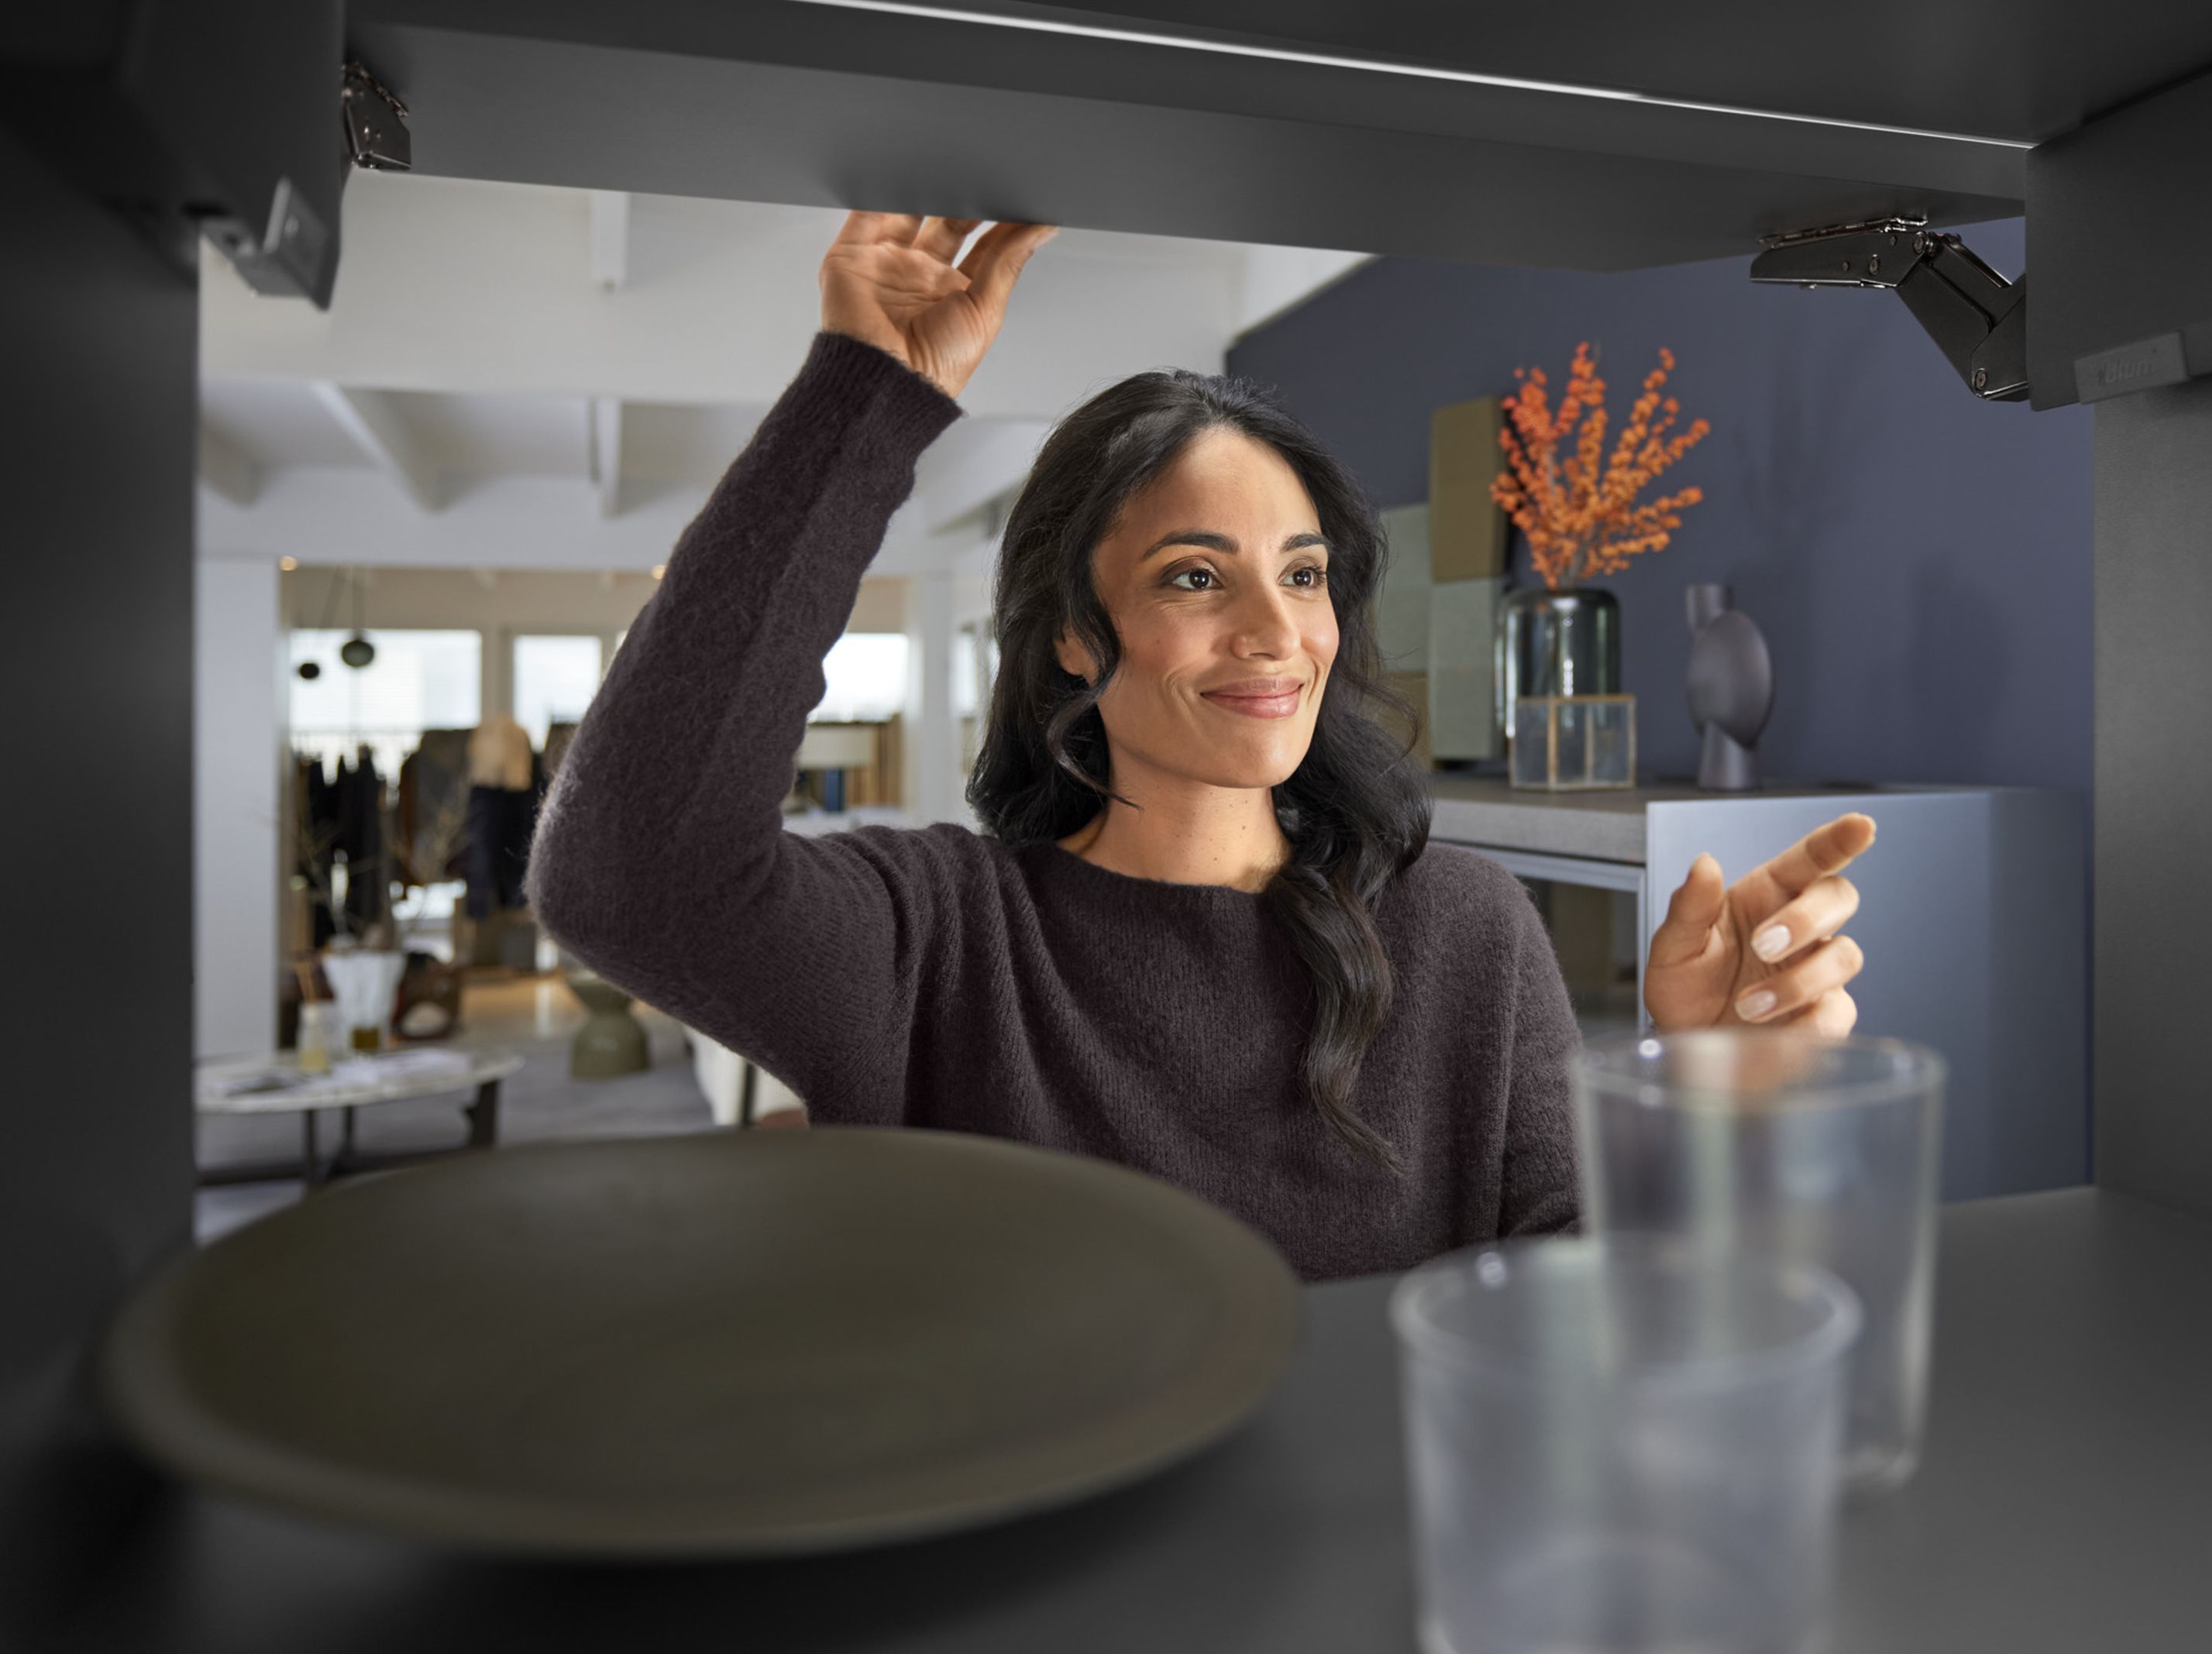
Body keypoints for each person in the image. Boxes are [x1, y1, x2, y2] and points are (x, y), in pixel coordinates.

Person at [529, 212, 1874, 1280]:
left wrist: (1704, 1103)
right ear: (1074, 633)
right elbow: (624, 872)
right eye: (1193, 576)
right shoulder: (940, 939)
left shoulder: (1464, 929)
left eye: (1303, 574)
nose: (1276, 633)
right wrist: (862, 398)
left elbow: (1576, 1310)